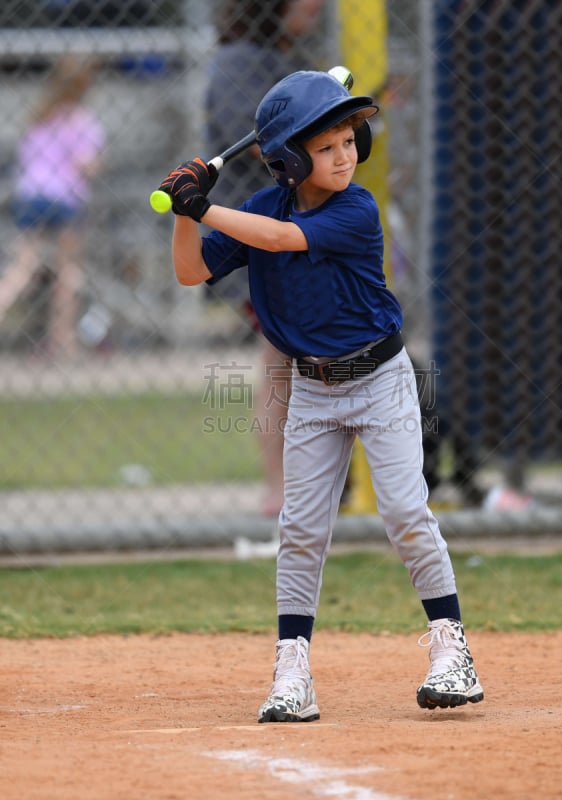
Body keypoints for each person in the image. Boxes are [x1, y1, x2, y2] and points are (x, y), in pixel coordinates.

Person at [157, 69, 484, 722]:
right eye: (327, 145)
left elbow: (279, 242)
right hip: (311, 391)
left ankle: (453, 651)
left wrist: (202, 206)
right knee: (300, 531)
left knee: (404, 514)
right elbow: (190, 270)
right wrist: (186, 209)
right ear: (289, 159)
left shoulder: (354, 210)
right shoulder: (255, 209)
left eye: (349, 141)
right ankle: (292, 671)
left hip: (382, 381)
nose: (344, 155)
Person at [204, 0, 326, 516]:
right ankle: (282, 492)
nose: (315, 6)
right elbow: (258, 144)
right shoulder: (240, 61)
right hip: (260, 234)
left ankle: (301, 488)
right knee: (285, 363)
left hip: (294, 230)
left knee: (297, 362)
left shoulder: (279, 57)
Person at [0, 56, 105, 357]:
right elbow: (87, 166)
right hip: (65, 199)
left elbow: (26, 160)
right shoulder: (82, 120)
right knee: (67, 270)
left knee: (23, 268)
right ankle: (62, 340)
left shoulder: (40, 118)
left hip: (30, 195)